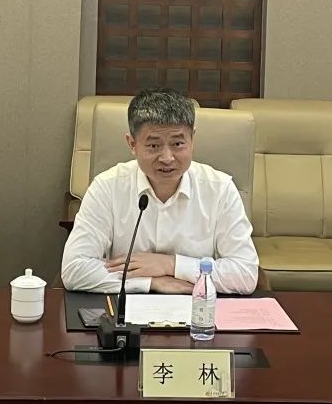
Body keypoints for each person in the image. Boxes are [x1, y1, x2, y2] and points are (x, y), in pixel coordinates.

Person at [61, 87, 258, 294]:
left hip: (197, 308)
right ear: (132, 144)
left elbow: (245, 274)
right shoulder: (107, 187)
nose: (167, 158)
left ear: (192, 140)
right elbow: (74, 269)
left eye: (178, 144)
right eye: (154, 146)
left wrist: (171, 265)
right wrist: (150, 283)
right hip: (128, 307)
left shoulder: (220, 189)